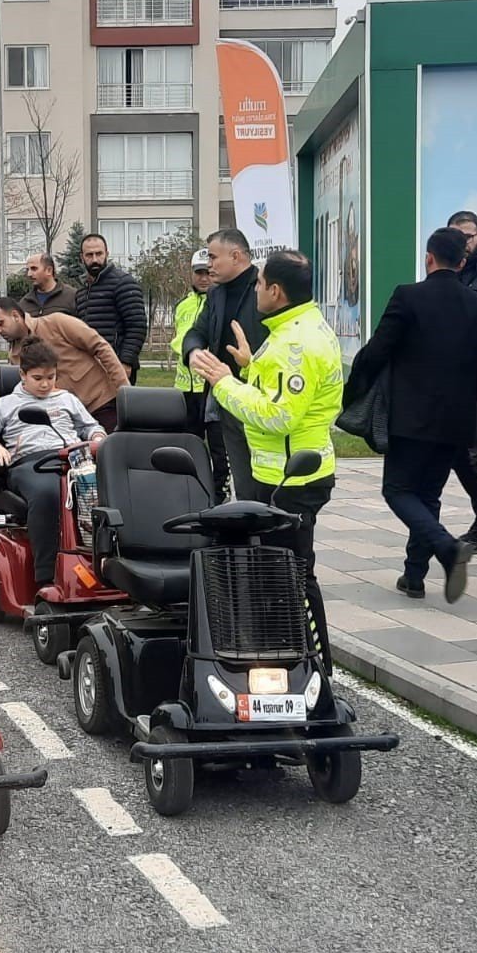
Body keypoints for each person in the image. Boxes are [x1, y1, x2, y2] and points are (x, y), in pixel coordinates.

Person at [190, 250, 343, 672]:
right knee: (282, 571)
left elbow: (277, 415)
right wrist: (250, 365)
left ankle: (305, 666)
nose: (255, 290)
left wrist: (224, 383)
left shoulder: (296, 343)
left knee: (288, 577)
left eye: (259, 284)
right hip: (288, 474)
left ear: (275, 290)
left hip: (291, 480)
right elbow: (287, 394)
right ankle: (291, 656)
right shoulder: (299, 326)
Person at [345, 227, 477, 603]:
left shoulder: (408, 297)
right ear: (462, 262)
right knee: (428, 495)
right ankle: (413, 577)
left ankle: (447, 547)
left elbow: (377, 350)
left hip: (410, 416)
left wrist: (354, 389)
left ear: (428, 258)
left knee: (398, 490)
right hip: (457, 419)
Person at [0, 338, 105, 591]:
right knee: (49, 493)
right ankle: (47, 575)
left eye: (51, 377)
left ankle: (110, 565)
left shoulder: (68, 399)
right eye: (38, 378)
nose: (45, 384)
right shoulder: (4, 405)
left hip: (74, 461)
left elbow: (91, 427)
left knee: (111, 488)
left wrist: (97, 438)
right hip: (29, 465)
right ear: (22, 374)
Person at [182, 228, 269, 503]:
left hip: (262, 398)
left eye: (213, 257)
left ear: (236, 256)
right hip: (226, 397)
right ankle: (246, 533)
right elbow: (197, 331)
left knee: (266, 479)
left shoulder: (265, 287)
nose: (209, 264)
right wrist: (194, 352)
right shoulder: (216, 293)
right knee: (240, 477)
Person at [0, 298, 128, 432]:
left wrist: (126, 394)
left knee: (111, 454)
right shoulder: (14, 356)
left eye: (0, 323)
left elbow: (101, 347)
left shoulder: (56, 323)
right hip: (64, 420)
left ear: (15, 315)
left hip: (102, 404)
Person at [172, 248, 229, 502]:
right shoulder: (182, 305)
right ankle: (190, 487)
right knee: (188, 442)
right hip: (185, 387)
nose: (204, 278)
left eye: (208, 272)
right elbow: (179, 338)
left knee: (218, 444)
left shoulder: (219, 302)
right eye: (199, 273)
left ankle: (220, 489)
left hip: (212, 386)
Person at [449, 209, 477, 545]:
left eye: (469, 236)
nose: (464, 242)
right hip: (462, 375)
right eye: (457, 236)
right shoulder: (452, 269)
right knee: (461, 451)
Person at [75, 234, 147, 382]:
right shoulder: (82, 291)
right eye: (89, 255)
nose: (94, 259)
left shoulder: (123, 283)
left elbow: (137, 326)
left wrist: (125, 362)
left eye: (99, 254)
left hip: (117, 366)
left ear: (107, 254)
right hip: (89, 367)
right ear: (82, 257)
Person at [18, 253, 78, 317]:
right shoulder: (24, 303)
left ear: (49, 270)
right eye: (27, 270)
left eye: (34, 269)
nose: (29, 274)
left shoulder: (72, 296)